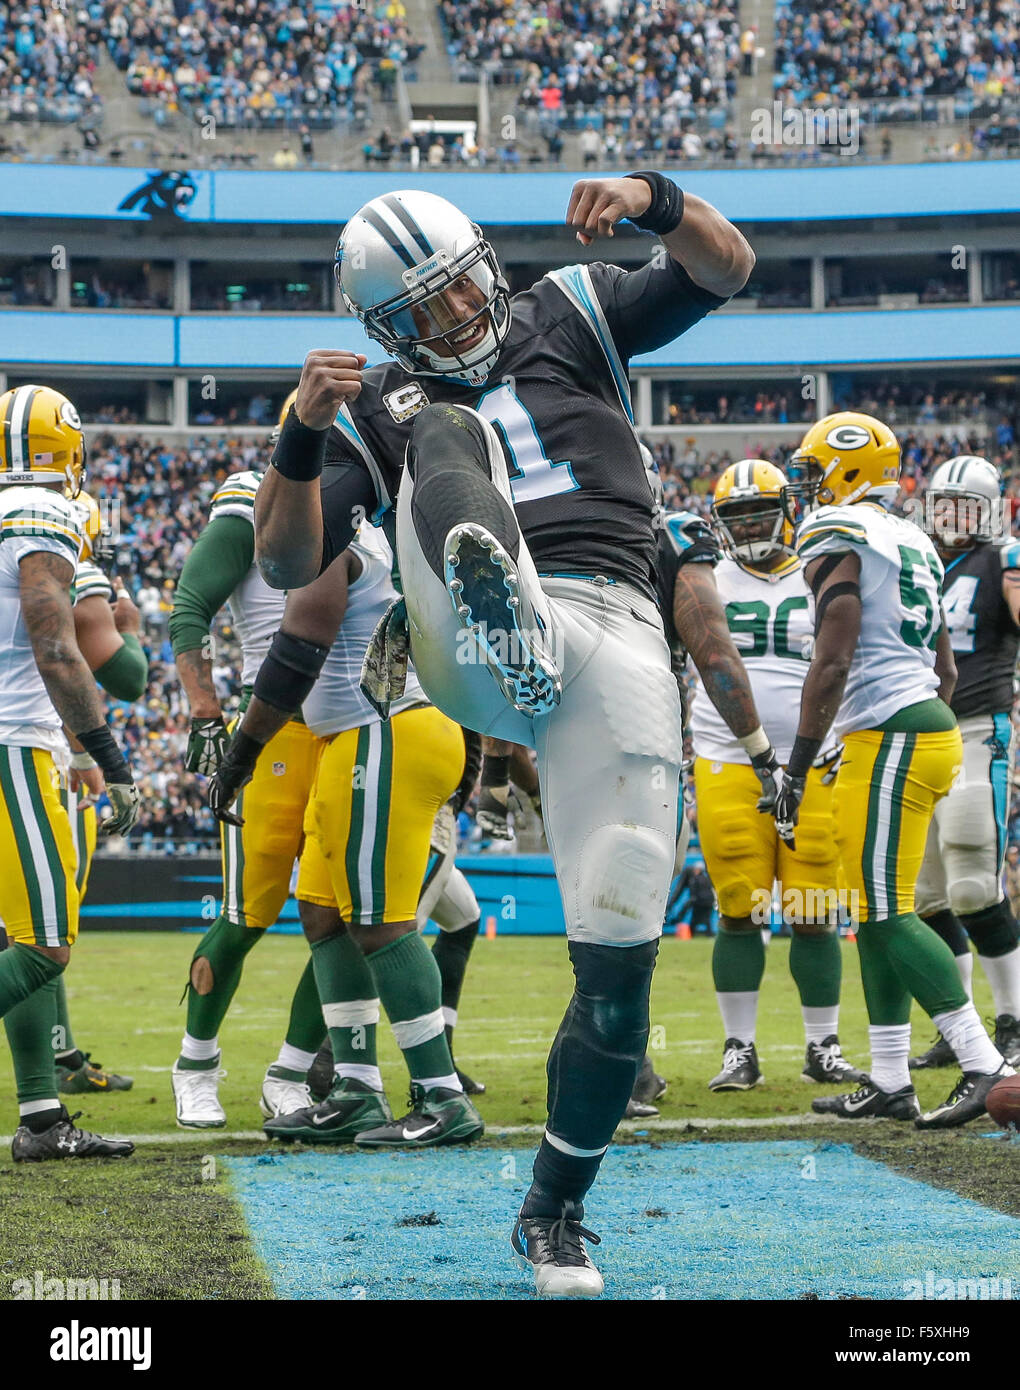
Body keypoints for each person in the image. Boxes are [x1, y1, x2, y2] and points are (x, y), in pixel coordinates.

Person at [252, 174, 756, 1297]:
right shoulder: (387, 397)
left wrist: (660, 202)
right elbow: (288, 565)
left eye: (461, 288)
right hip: (468, 625)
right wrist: (298, 437)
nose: (459, 318)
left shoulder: (571, 307)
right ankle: (504, 610)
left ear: (488, 257)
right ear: (386, 330)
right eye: (423, 314)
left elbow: (728, 268)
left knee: (620, 954)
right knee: (440, 423)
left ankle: (554, 1211)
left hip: (617, 622)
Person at [210, 524, 483, 1147]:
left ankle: (443, 1096)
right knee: (321, 913)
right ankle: (358, 1087)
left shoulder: (329, 531)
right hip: (354, 734)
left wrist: (242, 752)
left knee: (379, 920)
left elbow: (298, 650)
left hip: (385, 729)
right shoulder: (367, 528)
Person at [774, 412, 1011, 1128]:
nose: (806, 488)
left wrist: (800, 762)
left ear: (847, 469)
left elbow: (834, 656)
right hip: (922, 730)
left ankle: (987, 1064)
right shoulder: (913, 538)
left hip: (892, 736)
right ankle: (888, 1076)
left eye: (814, 472)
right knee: (873, 913)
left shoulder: (839, 532)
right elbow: (943, 668)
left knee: (884, 911)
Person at [168, 404, 330, 1128]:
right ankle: (195, 1062)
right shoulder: (253, 495)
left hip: (355, 726)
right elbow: (191, 603)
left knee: (346, 916)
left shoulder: (375, 500)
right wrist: (203, 703)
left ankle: (291, 1072)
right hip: (276, 731)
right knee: (246, 916)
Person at [691, 461, 864, 1091]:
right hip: (726, 758)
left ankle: (823, 1046)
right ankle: (740, 1049)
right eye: (738, 518)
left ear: (787, 510)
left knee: (815, 909)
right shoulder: (704, 578)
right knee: (739, 908)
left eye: (761, 512)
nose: (753, 526)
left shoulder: (822, 572)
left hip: (814, 763)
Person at [0, 384, 138, 1161]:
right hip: (12, 742)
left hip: (19, 738)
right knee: (45, 945)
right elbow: (56, 645)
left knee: (15, 934)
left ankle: (43, 1118)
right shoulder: (41, 512)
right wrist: (109, 759)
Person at [911, 455, 1020, 1070]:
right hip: (922, 739)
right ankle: (963, 1030)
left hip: (979, 729)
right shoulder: (920, 561)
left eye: (964, 504)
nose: (951, 515)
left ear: (989, 510)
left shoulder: (1002, 560)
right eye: (943, 503)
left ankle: (1014, 1021)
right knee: (928, 898)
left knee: (975, 883)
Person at [51, 491, 148, 1095]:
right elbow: (129, 678)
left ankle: (60, 1060)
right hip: (32, 762)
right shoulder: (64, 560)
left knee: (27, 926)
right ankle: (56, 1068)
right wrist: (130, 630)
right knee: (42, 929)